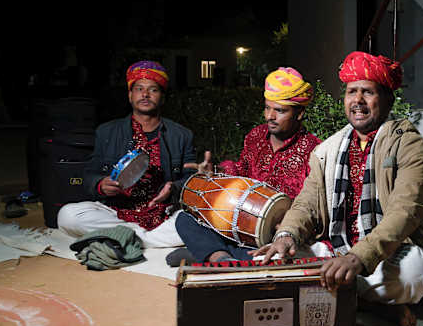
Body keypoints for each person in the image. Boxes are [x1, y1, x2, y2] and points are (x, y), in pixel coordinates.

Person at [251, 51, 423, 326]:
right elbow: (306, 203)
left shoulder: (408, 145)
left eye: (368, 92)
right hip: (336, 247)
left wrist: (358, 258)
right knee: (274, 259)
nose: (357, 100)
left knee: (415, 271)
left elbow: (405, 212)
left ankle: (329, 290)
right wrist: (287, 235)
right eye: (351, 92)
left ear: (387, 100)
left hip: (386, 253)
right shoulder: (329, 149)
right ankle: (369, 305)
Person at [174, 67, 321, 263]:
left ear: (300, 112)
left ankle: (212, 253)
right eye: (267, 108)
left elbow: (313, 206)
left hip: (275, 236)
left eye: (279, 110)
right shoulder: (256, 136)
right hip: (240, 223)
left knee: (284, 251)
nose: (270, 116)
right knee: (185, 219)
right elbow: (240, 170)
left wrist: (287, 225)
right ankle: (222, 258)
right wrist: (217, 172)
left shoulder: (315, 150)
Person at [58, 61, 196, 248]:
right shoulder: (107, 131)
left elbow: (190, 179)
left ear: (162, 97)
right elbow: (89, 173)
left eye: (153, 90)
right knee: (67, 216)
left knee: (200, 220)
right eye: (139, 89)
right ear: (130, 95)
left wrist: (173, 188)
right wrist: (100, 184)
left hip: (164, 212)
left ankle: (123, 236)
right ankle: (143, 237)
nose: (145, 95)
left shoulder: (181, 135)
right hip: (115, 211)